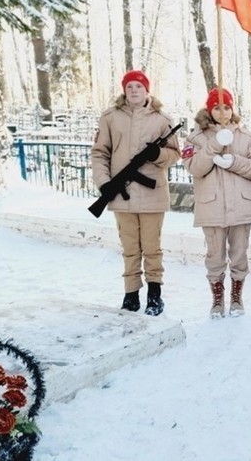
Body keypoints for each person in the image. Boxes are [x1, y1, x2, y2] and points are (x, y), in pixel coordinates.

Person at [91, 70, 180, 316]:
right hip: (120, 193)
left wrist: (158, 155)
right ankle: (131, 295)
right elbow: (100, 153)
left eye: (138, 87)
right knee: (130, 247)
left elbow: (175, 153)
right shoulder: (110, 117)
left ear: (146, 90)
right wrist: (104, 183)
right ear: (124, 90)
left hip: (153, 193)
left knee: (152, 247)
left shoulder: (162, 118)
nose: (133, 91)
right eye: (129, 87)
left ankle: (154, 295)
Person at [181, 88, 251, 318]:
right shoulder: (195, 138)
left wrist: (234, 161)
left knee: (239, 253)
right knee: (215, 256)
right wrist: (214, 145)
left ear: (232, 109)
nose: (222, 112)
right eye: (217, 107)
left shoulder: (246, 137)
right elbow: (194, 168)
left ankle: (237, 298)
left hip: (241, 205)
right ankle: (217, 300)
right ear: (209, 109)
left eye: (226, 107)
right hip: (212, 206)